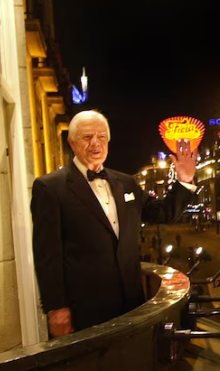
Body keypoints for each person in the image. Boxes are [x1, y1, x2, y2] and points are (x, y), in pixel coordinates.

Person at [31, 110, 196, 337]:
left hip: (131, 302)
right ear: (72, 142)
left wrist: (184, 181)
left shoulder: (126, 182)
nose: (95, 143)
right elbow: (46, 254)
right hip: (84, 308)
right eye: (87, 137)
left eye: (101, 137)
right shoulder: (50, 188)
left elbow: (163, 214)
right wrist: (56, 308)